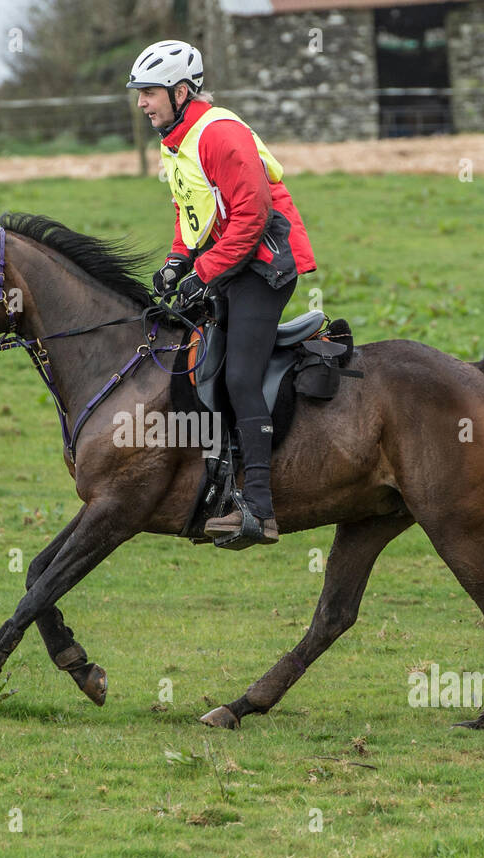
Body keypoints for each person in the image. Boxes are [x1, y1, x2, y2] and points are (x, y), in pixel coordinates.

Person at [128, 40, 316, 546]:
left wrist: (203, 271)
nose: (142, 103)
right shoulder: (176, 140)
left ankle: (260, 508)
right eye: (139, 94)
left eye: (149, 93)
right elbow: (191, 213)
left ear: (181, 91)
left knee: (237, 375)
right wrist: (175, 263)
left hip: (263, 263)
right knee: (200, 365)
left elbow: (252, 217)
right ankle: (218, 489)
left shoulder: (219, 135)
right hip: (232, 262)